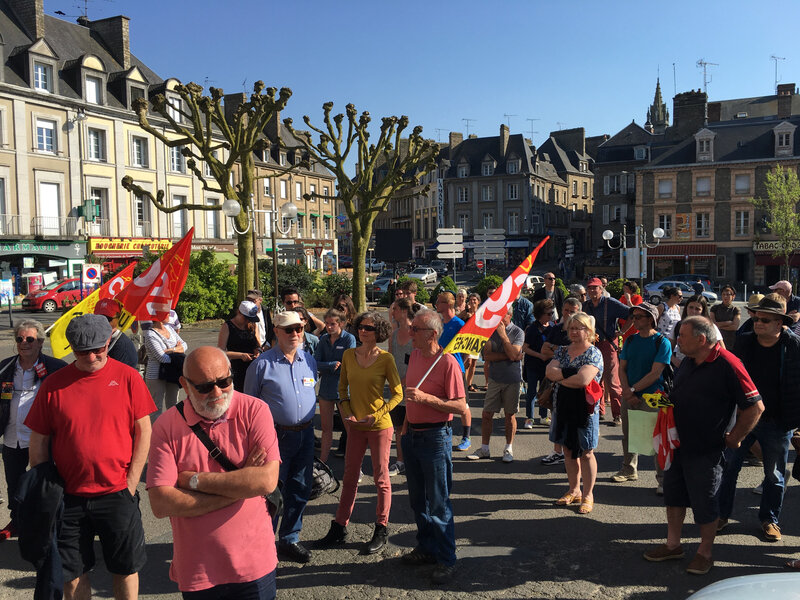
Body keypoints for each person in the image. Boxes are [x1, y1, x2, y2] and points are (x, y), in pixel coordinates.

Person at [25, 314, 155, 599]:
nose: (93, 356)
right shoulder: (54, 384)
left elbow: (143, 431)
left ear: (109, 341)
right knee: (72, 575)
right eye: (84, 351)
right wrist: (47, 488)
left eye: (99, 348)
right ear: (72, 347)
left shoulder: (128, 377)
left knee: (125, 568)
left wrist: (131, 482)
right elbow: (40, 440)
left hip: (117, 492)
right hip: (69, 496)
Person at [146, 347, 281, 598]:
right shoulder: (166, 426)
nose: (217, 392)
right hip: (199, 571)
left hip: (254, 565)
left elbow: (266, 481)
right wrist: (240, 487)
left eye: (224, 382)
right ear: (185, 386)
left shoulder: (255, 410)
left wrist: (195, 480)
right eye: (205, 387)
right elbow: (161, 503)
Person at [643, 316, 763, 576]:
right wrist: (660, 402)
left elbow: (755, 406)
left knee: (705, 502)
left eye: (683, 336)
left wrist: (735, 437)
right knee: (674, 497)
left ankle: (704, 553)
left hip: (706, 449)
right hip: (677, 443)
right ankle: (673, 545)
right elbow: (679, 396)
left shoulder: (729, 363)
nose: (678, 341)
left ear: (701, 339)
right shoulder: (688, 360)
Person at [316, 311, 402, 555]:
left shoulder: (386, 359)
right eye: (360, 327)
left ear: (379, 333)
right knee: (350, 477)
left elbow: (398, 394)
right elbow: (342, 388)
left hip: (379, 426)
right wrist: (346, 412)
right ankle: (339, 527)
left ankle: (381, 528)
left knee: (381, 478)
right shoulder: (348, 355)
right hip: (354, 425)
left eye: (369, 328)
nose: (363, 331)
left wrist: (377, 414)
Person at [718, 294, 800, 543]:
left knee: (774, 475)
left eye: (765, 319)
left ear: (780, 323)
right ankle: (721, 515)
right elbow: (730, 380)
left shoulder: (795, 346)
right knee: (728, 468)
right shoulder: (744, 343)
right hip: (743, 418)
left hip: (778, 422)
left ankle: (769, 520)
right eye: (756, 317)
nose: (758, 322)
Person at [244, 311, 317, 564]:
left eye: (299, 328)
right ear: (276, 331)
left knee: (300, 489)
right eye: (289, 329)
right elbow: (249, 408)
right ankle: (263, 545)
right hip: (275, 437)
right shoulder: (261, 365)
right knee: (271, 494)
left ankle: (289, 539)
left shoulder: (308, 360)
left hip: (306, 434)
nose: (295, 334)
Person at [400, 308, 466, 585]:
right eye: (412, 328)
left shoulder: (448, 362)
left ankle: (446, 559)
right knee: (418, 501)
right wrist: (404, 432)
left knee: (439, 502)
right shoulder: (415, 355)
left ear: (433, 335)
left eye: (416, 329)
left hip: (436, 438)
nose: (411, 332)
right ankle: (426, 547)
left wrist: (427, 399)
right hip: (413, 435)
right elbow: (410, 400)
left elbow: (460, 406)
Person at [0, 320, 67, 541]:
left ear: (40, 342)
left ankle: (49, 522)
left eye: (29, 339)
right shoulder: (6, 367)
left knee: (45, 483)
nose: (24, 343)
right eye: (20, 339)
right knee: (15, 482)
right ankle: (17, 520)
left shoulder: (56, 368)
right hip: (12, 437)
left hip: (42, 439)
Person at [545, 312, 604, 515]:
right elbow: (548, 372)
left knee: (586, 452)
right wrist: (571, 375)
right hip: (562, 407)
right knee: (569, 451)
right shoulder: (562, 351)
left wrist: (560, 377)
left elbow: (583, 381)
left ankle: (588, 495)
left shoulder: (594, 353)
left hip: (585, 410)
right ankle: (574, 489)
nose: (574, 331)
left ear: (588, 331)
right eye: (571, 328)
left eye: (579, 328)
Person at [613, 302, 671, 493]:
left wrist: (631, 390)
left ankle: (663, 480)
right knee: (629, 435)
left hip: (655, 395)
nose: (634, 320)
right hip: (630, 394)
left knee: (658, 438)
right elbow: (622, 368)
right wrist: (627, 391)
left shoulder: (662, 342)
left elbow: (656, 373)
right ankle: (629, 469)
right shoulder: (630, 341)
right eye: (633, 317)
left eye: (638, 317)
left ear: (651, 319)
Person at [467, 311, 524, 463]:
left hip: (512, 379)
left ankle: (508, 448)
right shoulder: (490, 332)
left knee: (509, 415)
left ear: (510, 316)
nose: (498, 319)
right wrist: (511, 355)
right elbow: (487, 356)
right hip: (494, 379)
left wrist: (503, 336)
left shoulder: (518, 332)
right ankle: (484, 448)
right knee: (487, 414)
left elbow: (514, 354)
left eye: (502, 315)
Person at [539, 296, 582, 465]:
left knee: (575, 419)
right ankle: (558, 452)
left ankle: (573, 454)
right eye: (566, 310)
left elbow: (582, 356)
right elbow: (544, 350)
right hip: (556, 381)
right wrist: (565, 352)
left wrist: (557, 350)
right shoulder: (556, 329)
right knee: (556, 416)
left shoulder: (583, 329)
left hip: (576, 383)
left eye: (572, 311)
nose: (568, 314)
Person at [583, 277, 629, 426]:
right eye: (589, 288)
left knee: (612, 380)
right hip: (591, 345)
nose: (592, 291)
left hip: (608, 344)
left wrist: (621, 331)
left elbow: (632, 315)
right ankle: (600, 411)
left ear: (601, 289)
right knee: (595, 379)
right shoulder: (586, 306)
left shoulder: (611, 303)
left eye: (594, 288)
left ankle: (617, 415)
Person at [314, 308, 356, 464]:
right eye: (327, 323)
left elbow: (348, 363)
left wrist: (327, 367)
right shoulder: (324, 339)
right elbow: (315, 362)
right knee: (326, 429)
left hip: (343, 389)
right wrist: (331, 365)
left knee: (349, 429)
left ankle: (353, 463)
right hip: (326, 388)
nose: (329, 327)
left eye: (333, 324)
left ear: (342, 324)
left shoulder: (348, 338)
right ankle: (322, 462)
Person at [435, 291, 472, 452]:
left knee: (463, 405)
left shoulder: (459, 324)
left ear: (448, 305)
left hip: (456, 370)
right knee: (442, 404)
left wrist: (457, 366)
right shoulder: (436, 323)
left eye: (440, 301)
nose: (436, 304)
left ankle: (466, 437)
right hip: (438, 370)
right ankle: (445, 434)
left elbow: (467, 352)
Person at [386, 298, 418, 475]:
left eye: (395, 309)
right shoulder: (394, 334)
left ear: (405, 311)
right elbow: (390, 359)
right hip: (396, 390)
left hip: (413, 389)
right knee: (398, 427)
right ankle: (400, 461)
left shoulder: (416, 333)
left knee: (414, 426)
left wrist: (402, 383)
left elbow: (419, 364)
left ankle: (414, 461)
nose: (392, 313)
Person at [144, 314, 188, 415]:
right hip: (156, 374)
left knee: (174, 405)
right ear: (158, 316)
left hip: (173, 372)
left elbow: (185, 345)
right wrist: (178, 350)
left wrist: (172, 350)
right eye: (167, 313)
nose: (170, 314)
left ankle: (172, 429)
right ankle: (155, 430)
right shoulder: (150, 335)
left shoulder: (169, 328)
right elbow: (162, 358)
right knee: (156, 407)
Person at [521, 299, 555, 428]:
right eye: (549, 313)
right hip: (533, 365)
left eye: (552, 313)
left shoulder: (552, 327)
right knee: (531, 392)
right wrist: (540, 355)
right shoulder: (532, 328)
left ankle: (544, 416)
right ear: (540, 314)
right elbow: (525, 348)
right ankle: (529, 417)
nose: (551, 316)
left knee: (545, 391)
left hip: (547, 366)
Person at [218, 300, 262, 392]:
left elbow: (258, 344)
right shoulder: (227, 326)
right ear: (239, 312)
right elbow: (220, 352)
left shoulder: (253, 325)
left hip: (253, 367)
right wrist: (240, 355)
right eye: (246, 318)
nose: (248, 321)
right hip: (236, 369)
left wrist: (258, 350)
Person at [93, 298, 138, 368]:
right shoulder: (97, 340)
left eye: (107, 318)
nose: (102, 322)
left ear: (118, 318)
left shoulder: (122, 345)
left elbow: (116, 374)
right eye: (98, 318)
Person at [460, 293, 481, 393]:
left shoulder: (480, 313)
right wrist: (466, 318)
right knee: (467, 362)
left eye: (474, 300)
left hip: (477, 339)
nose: (472, 302)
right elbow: (457, 319)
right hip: (467, 339)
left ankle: (469, 384)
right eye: (471, 300)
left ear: (478, 302)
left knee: (473, 363)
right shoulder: (466, 312)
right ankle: (463, 383)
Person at [618, 281, 644, 345]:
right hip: (623, 324)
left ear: (631, 289)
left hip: (633, 325)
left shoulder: (638, 298)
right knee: (625, 342)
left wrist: (628, 300)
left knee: (633, 342)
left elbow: (635, 310)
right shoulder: (622, 297)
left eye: (626, 288)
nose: (624, 290)